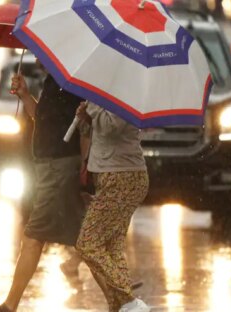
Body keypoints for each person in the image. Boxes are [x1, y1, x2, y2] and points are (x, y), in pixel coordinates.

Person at [0, 69, 86, 312]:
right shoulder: (54, 81)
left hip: (58, 167)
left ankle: (8, 306)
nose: (38, 57)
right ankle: (122, 298)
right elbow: (41, 118)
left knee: (33, 237)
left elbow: (82, 127)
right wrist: (24, 95)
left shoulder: (71, 82)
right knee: (85, 238)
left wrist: (85, 164)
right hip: (49, 166)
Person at [75, 102, 150, 312]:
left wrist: (93, 107)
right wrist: (86, 120)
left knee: (87, 243)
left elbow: (111, 126)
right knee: (112, 247)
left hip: (122, 176)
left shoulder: (123, 93)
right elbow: (99, 132)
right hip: (112, 175)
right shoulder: (106, 93)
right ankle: (121, 306)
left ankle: (130, 301)